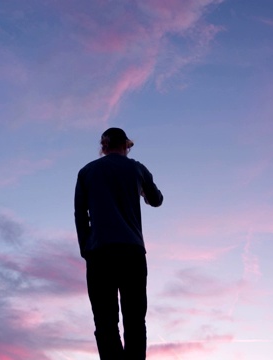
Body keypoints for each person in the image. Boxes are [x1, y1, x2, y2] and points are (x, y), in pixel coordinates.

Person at [74, 127, 163, 360]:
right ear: (126, 145)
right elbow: (157, 200)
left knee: (105, 322)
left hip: (99, 253)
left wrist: (86, 248)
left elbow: (80, 214)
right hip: (132, 252)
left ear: (103, 147)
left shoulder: (87, 171)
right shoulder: (137, 168)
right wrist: (142, 189)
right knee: (134, 321)